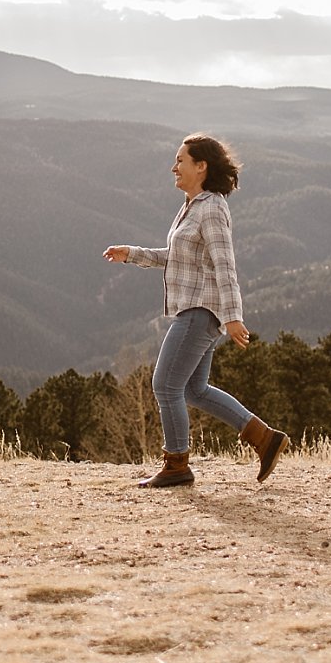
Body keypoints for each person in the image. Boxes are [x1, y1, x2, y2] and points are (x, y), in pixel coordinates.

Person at [103, 134, 288, 488]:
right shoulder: (192, 206)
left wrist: (233, 316)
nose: (174, 167)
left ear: (201, 166)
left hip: (200, 311)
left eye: (180, 161)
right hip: (195, 309)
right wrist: (133, 253)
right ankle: (265, 438)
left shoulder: (212, 207)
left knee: (165, 385)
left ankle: (176, 465)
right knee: (194, 389)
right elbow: (177, 258)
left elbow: (225, 265)